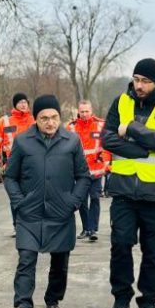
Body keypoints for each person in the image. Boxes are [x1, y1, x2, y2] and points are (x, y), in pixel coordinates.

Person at [101, 58, 155, 308]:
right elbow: (108, 139)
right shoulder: (120, 103)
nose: (139, 85)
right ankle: (120, 301)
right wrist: (144, 148)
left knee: (153, 253)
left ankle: (148, 305)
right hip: (124, 192)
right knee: (120, 247)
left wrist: (132, 130)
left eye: (145, 81)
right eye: (136, 79)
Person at [3, 94, 91, 308]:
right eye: (44, 118)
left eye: (54, 117)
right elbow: (10, 176)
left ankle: (53, 302)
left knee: (60, 262)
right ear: (36, 119)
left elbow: (83, 176)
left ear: (60, 118)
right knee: (26, 260)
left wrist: (73, 202)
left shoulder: (71, 141)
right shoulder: (23, 141)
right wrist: (19, 201)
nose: (50, 122)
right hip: (29, 213)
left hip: (61, 213)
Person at [0, 93, 35, 235]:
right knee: (15, 197)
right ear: (15, 104)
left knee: (30, 196)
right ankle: (17, 225)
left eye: (25, 102)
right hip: (12, 166)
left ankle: (29, 224)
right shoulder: (4, 121)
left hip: (32, 166)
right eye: (20, 102)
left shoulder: (34, 120)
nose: (23, 104)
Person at [65, 100, 111, 242]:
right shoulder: (71, 128)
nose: (84, 114)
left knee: (95, 197)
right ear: (79, 111)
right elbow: (65, 148)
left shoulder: (101, 125)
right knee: (82, 201)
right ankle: (86, 228)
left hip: (96, 170)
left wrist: (104, 159)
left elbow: (107, 145)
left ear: (91, 111)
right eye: (82, 111)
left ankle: (93, 229)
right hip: (79, 172)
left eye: (87, 111)